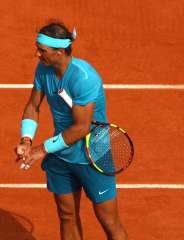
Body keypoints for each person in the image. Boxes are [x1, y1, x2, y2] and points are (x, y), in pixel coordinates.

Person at [15, 22, 128, 240]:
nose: (37, 54)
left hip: (93, 155)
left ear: (59, 51)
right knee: (67, 215)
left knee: (109, 221)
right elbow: (33, 105)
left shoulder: (84, 78)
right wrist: (27, 139)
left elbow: (81, 127)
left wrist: (41, 149)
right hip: (61, 154)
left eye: (42, 50)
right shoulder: (43, 69)